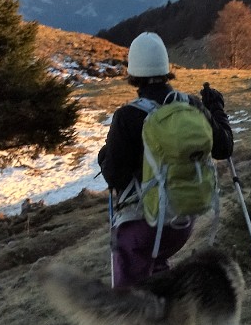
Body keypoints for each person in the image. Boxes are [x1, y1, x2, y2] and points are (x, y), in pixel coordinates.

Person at [98, 32, 233, 287]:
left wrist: (104, 156)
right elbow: (224, 148)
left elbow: (114, 175)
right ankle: (166, 315)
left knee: (131, 303)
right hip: (182, 220)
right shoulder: (190, 105)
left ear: (133, 71)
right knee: (158, 276)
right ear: (166, 67)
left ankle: (139, 324)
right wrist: (216, 109)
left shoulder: (127, 117)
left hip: (143, 224)